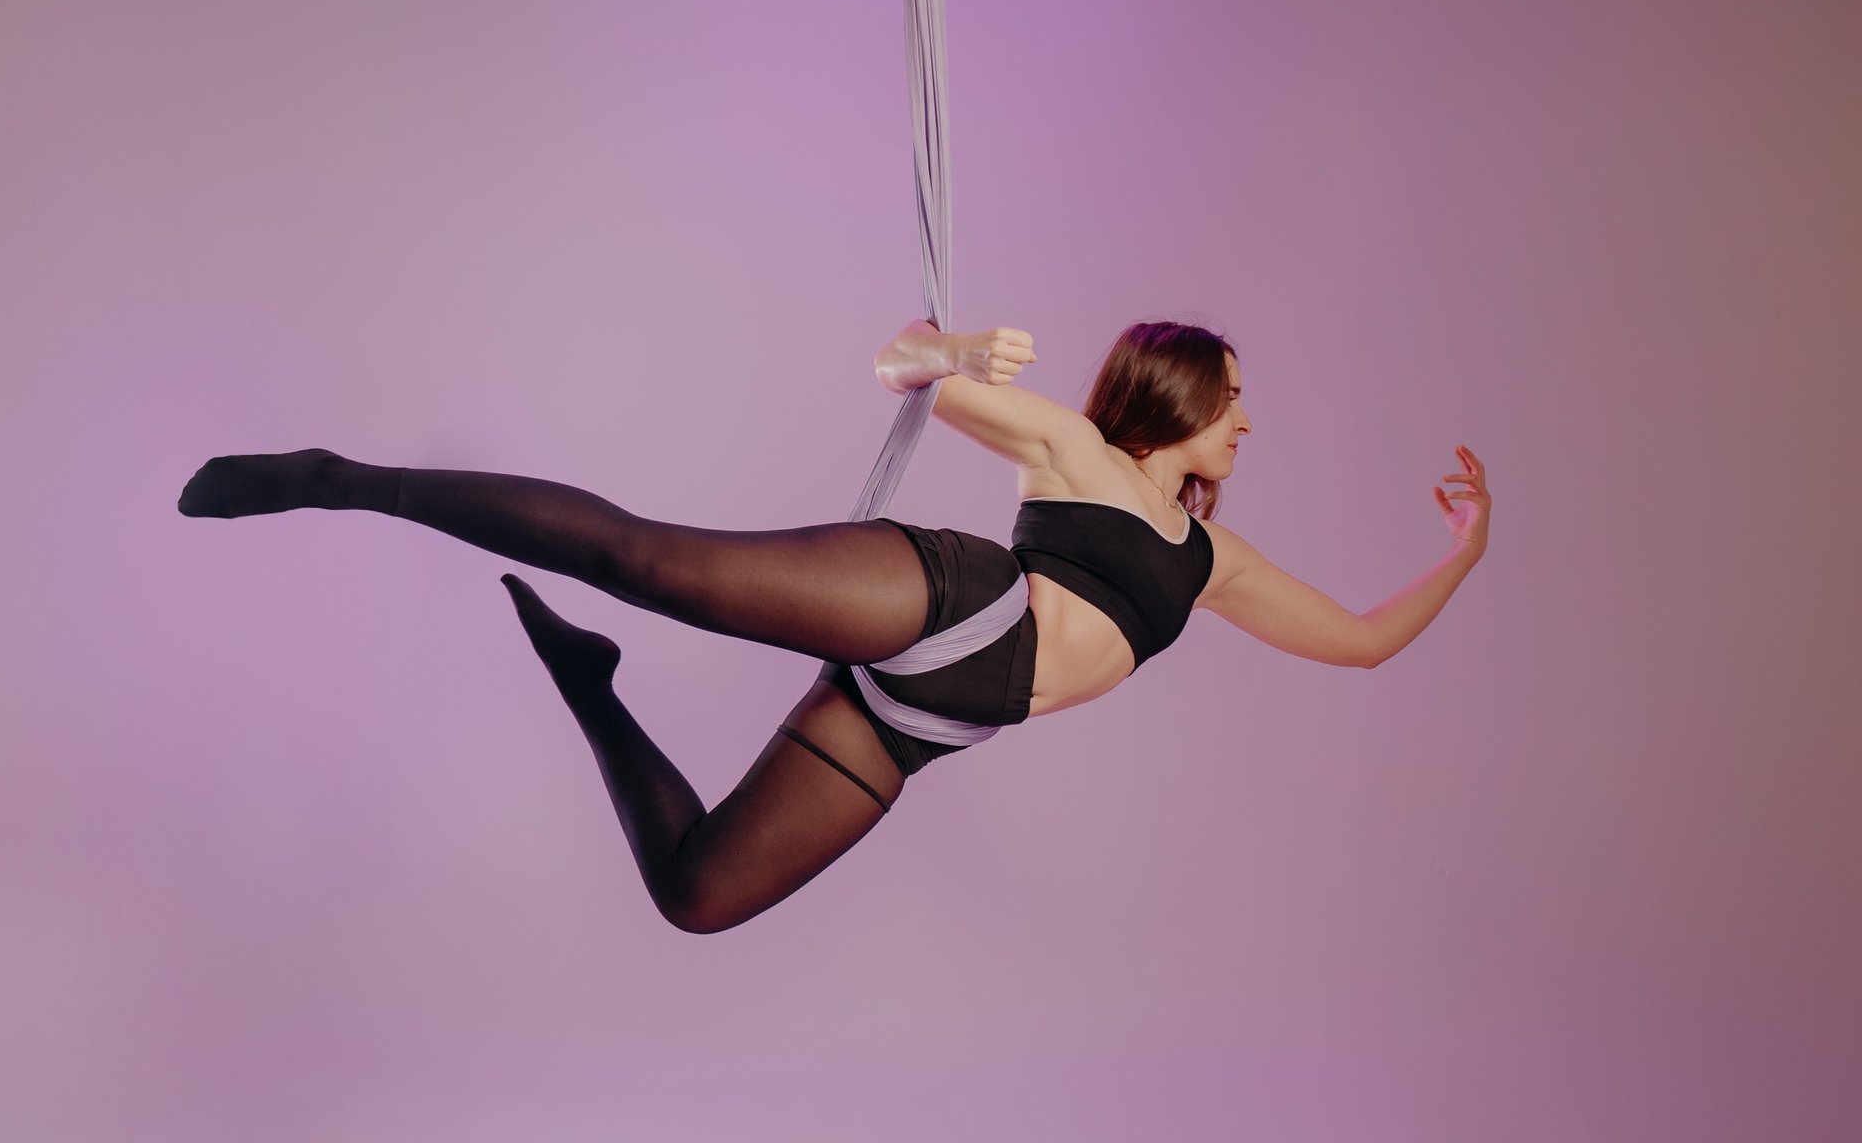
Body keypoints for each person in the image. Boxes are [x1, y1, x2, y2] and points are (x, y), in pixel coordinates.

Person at [176, 318, 1490, 933]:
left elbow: (1362, 640)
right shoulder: (1079, 453)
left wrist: (1464, 550)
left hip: (921, 724)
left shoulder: (1214, 562)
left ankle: (589, 685)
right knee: (650, 560)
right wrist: (950, 353)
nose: (1248, 421)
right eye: (1233, 398)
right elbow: (901, 366)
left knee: (697, 895)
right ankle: (343, 479)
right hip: (951, 603)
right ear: (1180, 396)